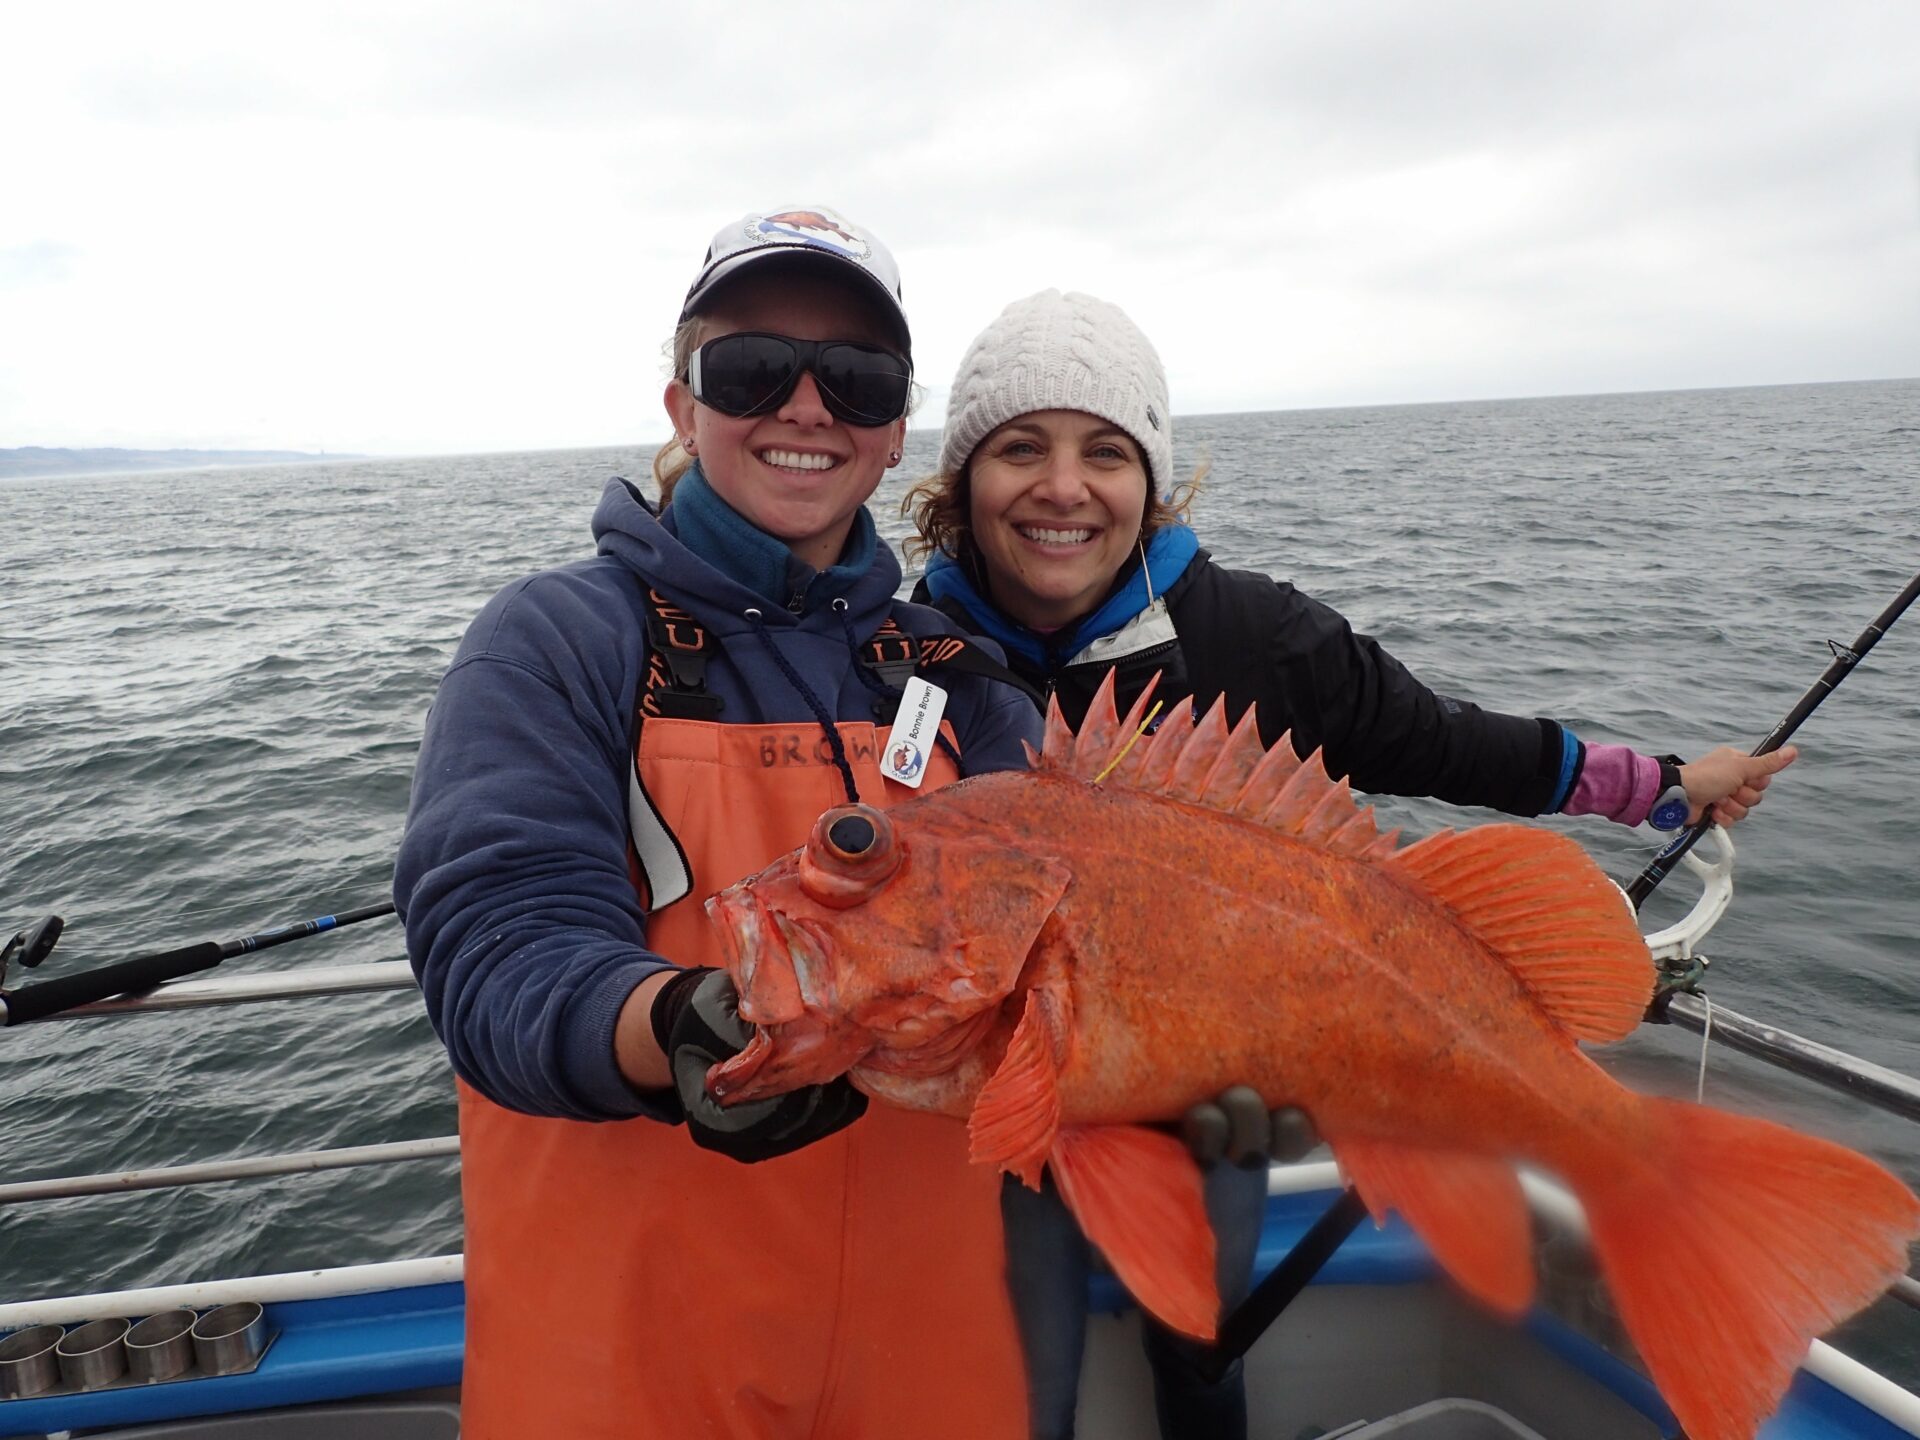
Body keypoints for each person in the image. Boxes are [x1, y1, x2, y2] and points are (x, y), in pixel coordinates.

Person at [905, 288, 1797, 1440]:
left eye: (1107, 452)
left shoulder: (1255, 636)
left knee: (1201, 1343)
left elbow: (1443, 740)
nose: (1064, 487)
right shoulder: (899, 654)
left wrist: (1664, 781)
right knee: (1013, 1377)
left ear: (1153, 478)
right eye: (1019, 448)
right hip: (985, 1117)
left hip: (1212, 1115)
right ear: (962, 480)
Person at [394, 207, 1045, 1440]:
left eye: (856, 380)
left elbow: (1079, 951)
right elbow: (496, 944)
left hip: (930, 1358)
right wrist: (675, 1026)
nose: (808, 408)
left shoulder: (964, 681)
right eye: (752, 369)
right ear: (683, 405)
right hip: (629, 1366)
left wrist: (1200, 1067)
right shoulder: (556, 643)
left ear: (897, 431)